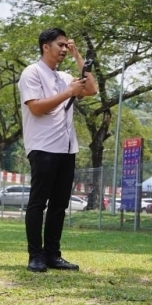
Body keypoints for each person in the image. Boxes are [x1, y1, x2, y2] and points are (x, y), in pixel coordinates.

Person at [18, 28, 97, 273]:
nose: (64, 49)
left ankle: (53, 254)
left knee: (59, 204)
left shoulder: (63, 76)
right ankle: (36, 255)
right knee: (38, 202)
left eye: (67, 45)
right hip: (42, 146)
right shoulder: (32, 73)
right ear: (45, 46)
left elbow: (91, 89)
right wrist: (68, 93)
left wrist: (78, 56)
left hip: (66, 147)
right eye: (60, 45)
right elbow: (36, 108)